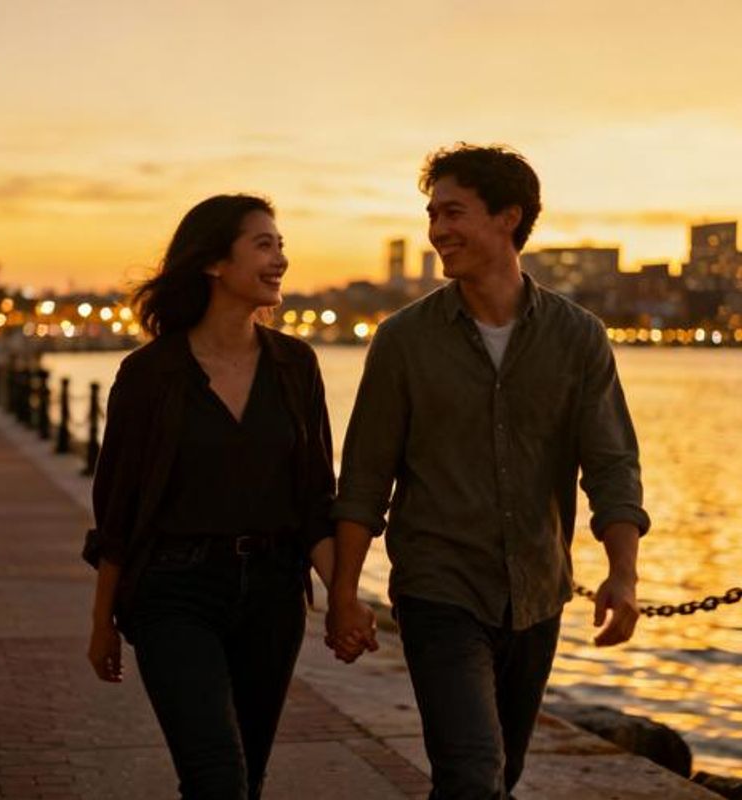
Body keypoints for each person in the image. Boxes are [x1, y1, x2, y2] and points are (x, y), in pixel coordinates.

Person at [325, 144, 651, 799]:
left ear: (509, 218)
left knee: (503, 775)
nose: (437, 230)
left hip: (536, 592)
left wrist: (623, 573)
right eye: (431, 215)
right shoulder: (404, 341)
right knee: (472, 773)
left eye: (454, 213)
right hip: (439, 588)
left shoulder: (577, 336)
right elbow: (364, 479)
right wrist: (343, 593)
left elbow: (612, 465)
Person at [84, 194, 373, 799]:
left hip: (272, 594)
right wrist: (102, 620)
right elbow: (118, 508)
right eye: (263, 244)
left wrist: (343, 597)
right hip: (173, 592)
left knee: (248, 777)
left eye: (282, 245)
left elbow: (314, 498)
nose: (280, 260)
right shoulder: (150, 374)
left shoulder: (296, 366)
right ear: (215, 262)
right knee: (216, 777)